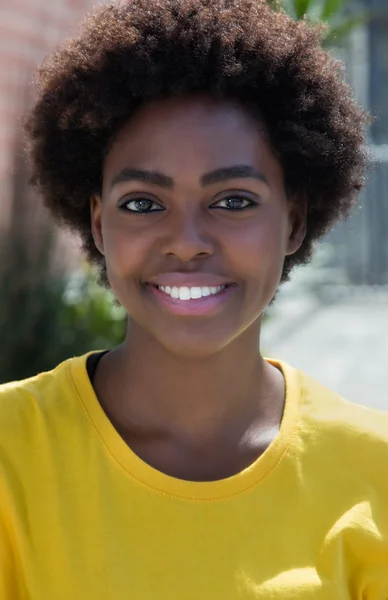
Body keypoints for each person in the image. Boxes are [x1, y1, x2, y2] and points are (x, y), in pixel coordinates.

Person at [0, 0, 387, 597]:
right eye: (143, 204)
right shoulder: (11, 455)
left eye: (233, 200)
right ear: (99, 225)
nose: (186, 244)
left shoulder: (373, 471)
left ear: (293, 221)